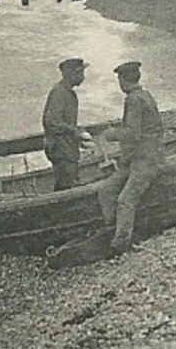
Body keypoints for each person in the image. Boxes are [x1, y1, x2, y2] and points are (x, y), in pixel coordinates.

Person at [97, 61, 164, 253]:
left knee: (125, 200)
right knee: (106, 190)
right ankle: (113, 230)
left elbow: (132, 134)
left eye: (119, 79)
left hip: (147, 160)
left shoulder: (134, 99)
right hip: (140, 158)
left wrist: (111, 134)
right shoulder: (144, 95)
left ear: (122, 80)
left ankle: (121, 244)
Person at [43, 58, 91, 191]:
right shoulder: (59, 92)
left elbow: (62, 120)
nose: (83, 77)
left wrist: (76, 129)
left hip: (67, 147)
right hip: (61, 149)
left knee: (68, 181)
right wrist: (74, 131)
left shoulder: (68, 93)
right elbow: (51, 121)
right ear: (73, 75)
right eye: (81, 73)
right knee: (66, 185)